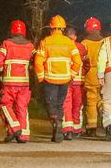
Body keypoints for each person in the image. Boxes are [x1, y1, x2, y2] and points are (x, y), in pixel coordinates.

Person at [34, 15, 82, 143]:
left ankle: (55, 122)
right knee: (60, 104)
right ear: (63, 29)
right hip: (65, 80)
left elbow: (38, 61)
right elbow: (77, 62)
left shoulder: (46, 42)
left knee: (50, 104)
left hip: (49, 79)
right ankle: (59, 122)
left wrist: (41, 78)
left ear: (51, 28)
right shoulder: (70, 43)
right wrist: (71, 75)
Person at [0, 20, 35, 143]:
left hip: (9, 82)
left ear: (12, 31)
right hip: (24, 83)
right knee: (22, 107)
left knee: (5, 105)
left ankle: (14, 128)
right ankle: (23, 135)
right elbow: (35, 60)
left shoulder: (6, 44)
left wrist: (1, 71)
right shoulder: (30, 45)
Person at [79, 17, 105, 138]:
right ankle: (109, 122)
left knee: (91, 101)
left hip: (90, 74)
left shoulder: (85, 43)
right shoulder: (105, 41)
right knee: (102, 100)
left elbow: (83, 60)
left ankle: (92, 127)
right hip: (103, 74)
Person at [61, 26, 88, 140]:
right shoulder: (81, 47)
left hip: (66, 80)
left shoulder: (63, 46)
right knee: (77, 105)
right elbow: (87, 64)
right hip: (79, 82)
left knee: (66, 105)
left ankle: (68, 129)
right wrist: (82, 74)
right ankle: (77, 128)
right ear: (75, 36)